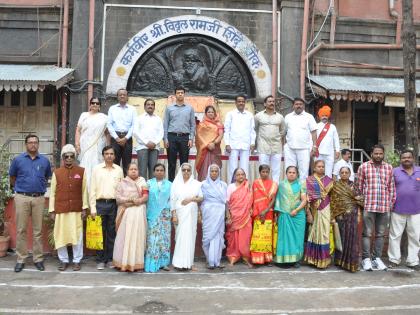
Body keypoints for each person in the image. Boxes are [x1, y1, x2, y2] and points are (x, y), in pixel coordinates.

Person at [9, 134, 52, 272]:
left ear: (38, 144)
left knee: (38, 231)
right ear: (26, 144)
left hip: (39, 198)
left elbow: (46, 177)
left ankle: (38, 259)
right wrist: (20, 191)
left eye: (35, 142)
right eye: (30, 142)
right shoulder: (18, 160)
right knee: (21, 229)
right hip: (22, 197)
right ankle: (21, 259)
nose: (33, 144)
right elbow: (12, 177)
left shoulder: (45, 161)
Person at [49, 144, 88, 271]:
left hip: (76, 209)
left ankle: (77, 260)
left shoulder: (81, 171)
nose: (69, 159)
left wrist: (84, 208)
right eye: (66, 156)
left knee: (77, 236)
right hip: (61, 209)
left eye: (71, 156)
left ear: (74, 157)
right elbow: (52, 193)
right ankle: (64, 260)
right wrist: (52, 210)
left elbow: (84, 191)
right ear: (63, 158)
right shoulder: (57, 173)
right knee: (61, 235)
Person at [357, 144, 395, 271]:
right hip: (369, 205)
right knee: (367, 233)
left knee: (380, 234)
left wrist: (390, 203)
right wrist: (362, 202)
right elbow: (359, 186)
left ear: (383, 154)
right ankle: (366, 259)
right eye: (376, 153)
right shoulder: (364, 167)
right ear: (371, 154)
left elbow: (391, 187)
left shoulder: (389, 168)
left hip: (384, 206)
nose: (378, 155)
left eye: (380, 153)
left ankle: (376, 258)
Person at [89, 145, 124, 270]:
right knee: (100, 233)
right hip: (100, 204)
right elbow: (92, 189)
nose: (109, 156)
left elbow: (121, 189)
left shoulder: (119, 170)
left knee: (111, 232)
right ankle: (100, 260)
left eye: (111, 154)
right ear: (103, 155)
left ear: (114, 156)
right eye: (107, 154)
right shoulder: (96, 169)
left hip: (113, 204)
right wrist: (92, 208)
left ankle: (110, 259)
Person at [113, 163, 148, 272]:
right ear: (127, 171)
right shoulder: (122, 183)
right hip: (125, 214)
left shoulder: (142, 181)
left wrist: (139, 201)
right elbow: (118, 198)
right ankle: (122, 262)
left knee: (137, 237)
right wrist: (132, 201)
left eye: (135, 169)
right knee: (124, 237)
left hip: (138, 213)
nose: (133, 171)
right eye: (131, 169)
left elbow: (145, 196)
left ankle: (136, 263)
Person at [388, 150, 420, 270]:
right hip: (398, 208)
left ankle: (413, 261)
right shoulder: (394, 171)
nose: (406, 159)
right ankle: (394, 260)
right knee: (395, 235)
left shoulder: (419, 171)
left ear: (413, 159)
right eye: (404, 158)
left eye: (409, 157)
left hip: (417, 210)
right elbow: (389, 188)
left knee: (415, 236)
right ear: (400, 159)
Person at [331, 166, 364, 272]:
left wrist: (356, 200)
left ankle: (350, 262)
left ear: (350, 174)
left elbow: (361, 200)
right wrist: (333, 216)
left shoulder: (355, 186)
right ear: (339, 174)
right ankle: (339, 261)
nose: (344, 174)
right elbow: (332, 201)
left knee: (351, 238)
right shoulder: (335, 186)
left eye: (346, 172)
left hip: (352, 215)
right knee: (341, 237)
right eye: (342, 172)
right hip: (340, 216)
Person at [170, 163, 203, 270]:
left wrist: (190, 199)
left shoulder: (196, 184)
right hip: (180, 213)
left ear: (191, 171)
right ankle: (178, 263)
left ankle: (190, 263)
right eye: (184, 170)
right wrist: (174, 214)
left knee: (191, 236)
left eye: (188, 170)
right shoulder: (175, 184)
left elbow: (201, 198)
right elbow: (172, 200)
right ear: (181, 171)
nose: (186, 172)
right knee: (180, 237)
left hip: (191, 213)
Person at [274, 166, 307, 266]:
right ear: (286, 173)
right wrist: (277, 216)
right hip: (284, 215)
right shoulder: (282, 185)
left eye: (294, 172)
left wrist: (296, 210)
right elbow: (278, 201)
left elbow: (304, 200)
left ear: (297, 174)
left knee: (298, 238)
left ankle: (296, 260)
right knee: (284, 238)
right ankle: (284, 260)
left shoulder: (301, 184)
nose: (291, 174)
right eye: (289, 172)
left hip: (298, 215)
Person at [304, 160, 334, 269]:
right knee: (314, 233)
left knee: (325, 233)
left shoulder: (329, 181)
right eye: (319, 166)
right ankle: (313, 259)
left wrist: (333, 215)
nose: (321, 168)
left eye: (323, 166)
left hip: (326, 209)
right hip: (314, 210)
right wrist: (308, 214)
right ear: (314, 168)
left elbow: (333, 198)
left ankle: (323, 260)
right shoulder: (309, 180)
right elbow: (306, 199)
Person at [75, 97, 109, 190]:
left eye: (97, 103)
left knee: (97, 167)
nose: (95, 105)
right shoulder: (84, 115)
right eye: (93, 103)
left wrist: (108, 147)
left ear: (100, 106)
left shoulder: (104, 117)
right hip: (85, 145)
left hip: (98, 146)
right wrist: (77, 144)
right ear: (90, 105)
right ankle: (84, 191)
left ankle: (96, 192)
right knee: (85, 167)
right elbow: (78, 130)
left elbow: (107, 133)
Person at [163, 87, 196, 181]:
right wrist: (165, 139)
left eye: (182, 93)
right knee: (171, 163)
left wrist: (191, 138)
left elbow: (192, 125)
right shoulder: (169, 108)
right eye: (178, 93)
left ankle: (183, 184)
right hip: (171, 137)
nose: (180, 94)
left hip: (185, 137)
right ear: (175, 95)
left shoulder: (189, 108)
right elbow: (165, 124)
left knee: (184, 163)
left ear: (184, 94)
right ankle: (171, 184)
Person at [144, 163, 172, 273]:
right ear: (153, 172)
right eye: (157, 170)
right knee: (152, 240)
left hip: (165, 215)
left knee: (164, 240)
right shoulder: (148, 183)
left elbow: (172, 199)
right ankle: (151, 262)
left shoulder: (170, 184)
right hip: (152, 215)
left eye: (161, 170)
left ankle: (164, 263)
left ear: (164, 172)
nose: (159, 172)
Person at [249, 165, 278, 265]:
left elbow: (273, 199)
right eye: (263, 172)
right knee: (257, 236)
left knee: (267, 236)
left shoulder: (274, 184)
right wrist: (256, 211)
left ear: (269, 172)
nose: (265, 173)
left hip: (268, 212)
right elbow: (253, 198)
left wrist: (265, 211)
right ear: (259, 172)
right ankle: (257, 259)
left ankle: (267, 259)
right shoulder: (255, 183)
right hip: (257, 213)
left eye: (266, 172)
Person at [226, 168, 254, 268]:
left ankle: (246, 258)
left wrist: (250, 209)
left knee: (245, 238)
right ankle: (233, 257)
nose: (240, 176)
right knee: (233, 239)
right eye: (238, 174)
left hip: (246, 216)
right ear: (234, 176)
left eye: (242, 174)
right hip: (234, 216)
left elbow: (251, 200)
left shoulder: (248, 186)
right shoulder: (231, 187)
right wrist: (228, 215)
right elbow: (227, 202)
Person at [201, 164, 227, 269]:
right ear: (208, 172)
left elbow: (226, 201)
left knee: (219, 237)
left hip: (220, 213)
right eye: (212, 171)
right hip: (208, 213)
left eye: (216, 171)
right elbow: (200, 200)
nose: (214, 173)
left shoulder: (223, 185)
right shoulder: (203, 184)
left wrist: (228, 214)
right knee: (208, 237)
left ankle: (217, 261)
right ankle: (209, 260)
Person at [254, 95, 286, 183]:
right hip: (263, 147)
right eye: (269, 101)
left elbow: (283, 130)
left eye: (273, 101)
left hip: (276, 147)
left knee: (276, 171)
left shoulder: (280, 117)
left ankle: (274, 190)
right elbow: (255, 129)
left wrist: (277, 137)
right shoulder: (258, 116)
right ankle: (263, 189)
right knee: (263, 170)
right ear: (265, 104)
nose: (272, 103)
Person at [284, 97, 317, 180]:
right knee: (290, 170)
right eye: (296, 104)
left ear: (304, 106)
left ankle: (303, 191)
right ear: (293, 106)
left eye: (300, 104)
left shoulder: (309, 117)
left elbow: (314, 132)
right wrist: (283, 145)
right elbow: (283, 132)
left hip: (304, 149)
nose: (298, 106)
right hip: (290, 148)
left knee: (304, 172)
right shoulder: (288, 117)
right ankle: (290, 191)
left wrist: (314, 146)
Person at [224, 95, 256, 180]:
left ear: (245, 103)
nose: (241, 103)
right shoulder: (230, 114)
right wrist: (227, 144)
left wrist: (252, 142)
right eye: (239, 101)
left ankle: (244, 188)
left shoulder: (249, 115)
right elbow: (226, 130)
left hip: (246, 144)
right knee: (232, 168)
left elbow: (252, 130)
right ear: (235, 103)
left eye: (243, 101)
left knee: (245, 168)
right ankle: (232, 187)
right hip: (233, 145)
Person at [107, 88, 137, 175]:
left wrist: (126, 138)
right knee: (114, 162)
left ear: (127, 97)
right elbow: (109, 124)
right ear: (117, 97)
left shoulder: (132, 109)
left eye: (124, 95)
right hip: (115, 138)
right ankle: (115, 184)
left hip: (127, 138)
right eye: (120, 95)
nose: (122, 96)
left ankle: (126, 185)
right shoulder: (112, 109)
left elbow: (134, 125)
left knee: (127, 164)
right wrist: (116, 138)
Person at [133, 98, 164, 179]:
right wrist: (146, 142)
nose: (150, 106)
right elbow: (135, 132)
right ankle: (143, 191)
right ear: (144, 107)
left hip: (154, 147)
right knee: (142, 171)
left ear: (154, 107)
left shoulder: (158, 119)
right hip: (142, 147)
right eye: (148, 104)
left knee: (154, 172)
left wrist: (154, 143)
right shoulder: (139, 118)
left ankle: (152, 191)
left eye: (152, 105)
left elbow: (161, 133)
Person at [195, 105, 224, 181]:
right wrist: (207, 144)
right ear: (205, 113)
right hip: (205, 150)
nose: (210, 113)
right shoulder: (202, 125)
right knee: (204, 169)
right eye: (209, 112)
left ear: (215, 113)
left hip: (215, 149)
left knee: (215, 168)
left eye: (212, 112)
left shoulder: (219, 124)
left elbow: (221, 135)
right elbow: (199, 137)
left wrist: (213, 143)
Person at [314, 105, 340, 177]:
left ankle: (327, 188)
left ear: (328, 116)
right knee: (318, 172)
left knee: (328, 173)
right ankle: (318, 187)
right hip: (318, 152)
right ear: (319, 116)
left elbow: (336, 139)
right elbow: (312, 139)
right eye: (322, 115)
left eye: (326, 115)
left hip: (329, 153)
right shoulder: (316, 126)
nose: (324, 117)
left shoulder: (332, 127)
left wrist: (337, 150)